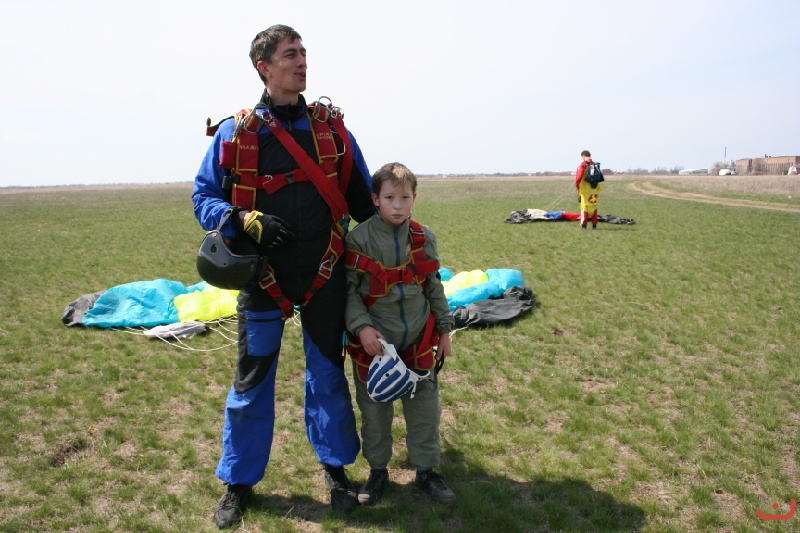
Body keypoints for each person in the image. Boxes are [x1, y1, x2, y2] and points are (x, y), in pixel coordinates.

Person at [192, 24, 375, 528]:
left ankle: (336, 471)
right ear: (264, 67)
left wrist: (405, 245)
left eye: (304, 53)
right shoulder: (236, 133)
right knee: (251, 381)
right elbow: (203, 197)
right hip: (263, 280)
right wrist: (241, 219)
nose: (302, 62)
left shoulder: (332, 132)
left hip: (324, 274)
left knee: (328, 375)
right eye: (290, 54)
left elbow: (363, 202)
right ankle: (238, 482)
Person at [343, 162, 456, 505]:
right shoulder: (359, 239)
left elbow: (433, 286)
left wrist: (445, 330)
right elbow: (348, 293)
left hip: (419, 342)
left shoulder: (422, 238)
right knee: (375, 414)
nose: (397, 205)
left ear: (414, 199)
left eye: (404, 197)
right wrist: (362, 328)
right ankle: (378, 471)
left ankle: (427, 471)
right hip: (376, 347)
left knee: (425, 411)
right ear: (375, 199)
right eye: (390, 197)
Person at [575, 149, 603, 229]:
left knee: (584, 207)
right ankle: (594, 225)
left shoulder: (584, 164)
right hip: (594, 189)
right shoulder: (594, 165)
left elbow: (579, 177)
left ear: (583, 156)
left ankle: (584, 225)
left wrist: (577, 185)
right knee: (593, 206)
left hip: (585, 189)